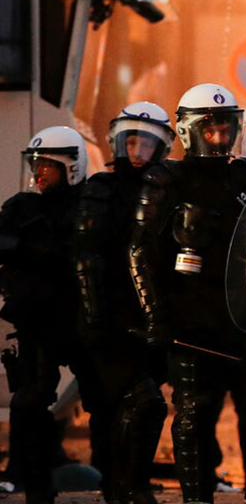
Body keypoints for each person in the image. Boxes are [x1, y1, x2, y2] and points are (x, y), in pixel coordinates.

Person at [128, 84, 246, 504]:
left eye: (226, 126)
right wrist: (156, 315)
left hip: (244, 319)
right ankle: (197, 499)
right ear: (189, 131)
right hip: (190, 321)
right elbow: (140, 250)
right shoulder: (166, 179)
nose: (220, 135)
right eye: (210, 127)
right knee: (193, 417)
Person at [75, 102, 175, 504]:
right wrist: (95, 316)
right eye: (131, 140)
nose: (137, 151)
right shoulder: (101, 188)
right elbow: (86, 256)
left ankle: (126, 482)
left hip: (149, 320)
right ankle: (122, 485)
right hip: (107, 320)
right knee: (132, 403)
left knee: (137, 404)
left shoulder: (166, 190)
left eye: (147, 143)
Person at [0, 127, 94, 504]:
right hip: (38, 322)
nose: (39, 173)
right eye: (36, 164)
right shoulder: (22, 206)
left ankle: (121, 481)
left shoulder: (91, 203)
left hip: (85, 321)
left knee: (108, 399)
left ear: (70, 166)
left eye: (48, 166)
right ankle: (33, 485)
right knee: (29, 401)